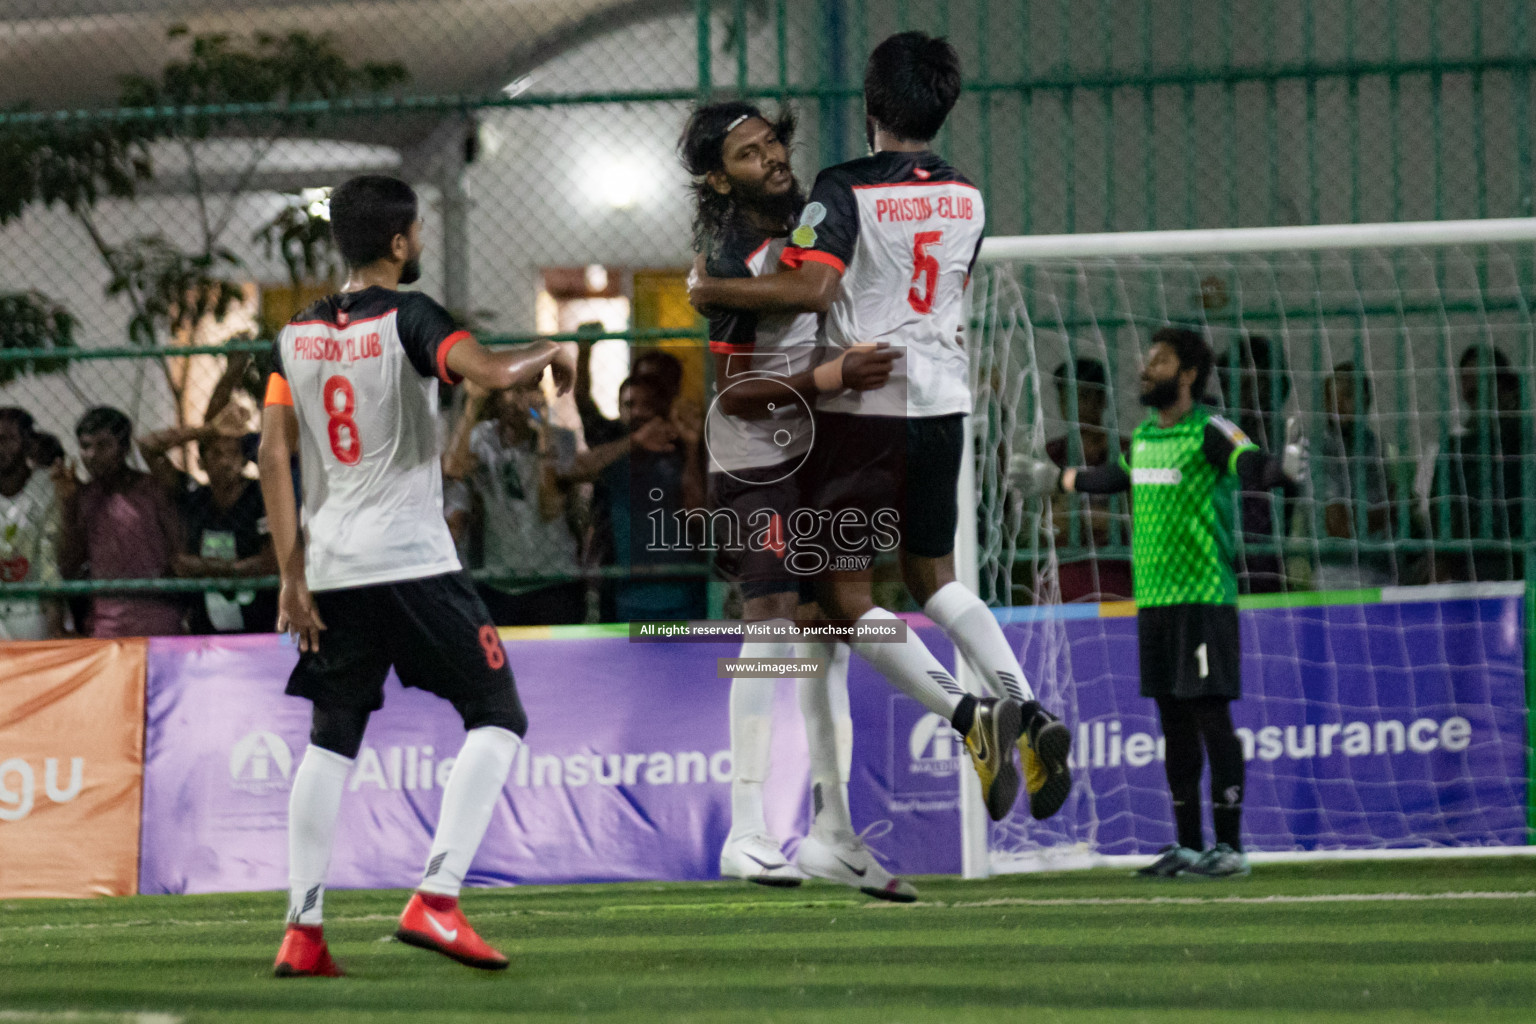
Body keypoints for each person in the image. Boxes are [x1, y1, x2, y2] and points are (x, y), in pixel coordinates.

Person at [688, 31, 1071, 824]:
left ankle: (973, 718)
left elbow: (816, 290)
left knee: (845, 597)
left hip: (867, 411)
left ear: (869, 105)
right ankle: (1029, 711)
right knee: (939, 579)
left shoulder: (844, 186)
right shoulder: (968, 192)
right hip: (945, 402)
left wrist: (711, 287)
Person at [260, 174, 575, 977]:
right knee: (497, 713)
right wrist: (556, 350)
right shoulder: (410, 315)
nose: (421, 244)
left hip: (329, 568)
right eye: (418, 233)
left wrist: (292, 575)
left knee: (331, 740)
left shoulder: (293, 331)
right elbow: (494, 374)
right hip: (409, 560)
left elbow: (272, 452)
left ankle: (303, 929)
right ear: (399, 243)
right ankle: (436, 900)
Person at [680, 99, 915, 899]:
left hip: (826, 449)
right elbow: (736, 397)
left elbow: (821, 295)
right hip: (759, 458)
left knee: (830, 645)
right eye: (748, 154)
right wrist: (828, 379)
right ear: (719, 177)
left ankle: (836, 835)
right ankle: (746, 831)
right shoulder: (729, 256)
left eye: (772, 140)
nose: (772, 157)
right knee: (772, 627)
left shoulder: (813, 220)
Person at [1021, 326, 1306, 877]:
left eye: (1158, 361)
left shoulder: (1211, 429)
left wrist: (1282, 471)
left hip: (1203, 598)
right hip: (1153, 601)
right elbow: (1113, 477)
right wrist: (1056, 478)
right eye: (1146, 361)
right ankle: (1189, 846)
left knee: (1210, 715)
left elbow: (1251, 465)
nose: (1145, 369)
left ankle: (1230, 847)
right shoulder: (1146, 437)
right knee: (1173, 721)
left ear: (1189, 373)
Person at [138, 358, 278, 634]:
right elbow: (148, 446)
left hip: (261, 632)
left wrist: (203, 567)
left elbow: (269, 564)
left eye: (232, 453)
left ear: (244, 459)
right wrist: (207, 431)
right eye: (216, 454)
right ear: (201, 462)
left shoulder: (261, 496)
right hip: (207, 635)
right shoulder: (194, 496)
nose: (226, 462)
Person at [442, 378, 585, 625]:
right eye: (514, 390)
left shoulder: (561, 439)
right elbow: (454, 468)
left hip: (554, 577)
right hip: (500, 581)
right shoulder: (481, 438)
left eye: (531, 390)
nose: (522, 399)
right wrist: (474, 403)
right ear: (497, 398)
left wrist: (543, 435)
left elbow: (549, 507)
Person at [565, 373, 708, 620]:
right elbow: (577, 469)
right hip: (630, 597)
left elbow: (696, 511)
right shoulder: (616, 454)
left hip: (684, 592)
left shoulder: (679, 450)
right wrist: (636, 440)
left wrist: (692, 446)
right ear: (619, 410)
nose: (639, 412)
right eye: (630, 405)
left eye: (647, 405)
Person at [57, 406, 185, 638]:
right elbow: (69, 566)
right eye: (85, 446)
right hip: (105, 623)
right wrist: (68, 506)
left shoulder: (152, 490)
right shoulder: (83, 497)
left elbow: (178, 550)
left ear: (123, 448)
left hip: (157, 617)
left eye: (103, 445)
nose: (93, 455)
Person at [1430, 344, 1527, 582]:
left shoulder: (1525, 444)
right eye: (1468, 382)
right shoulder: (1456, 448)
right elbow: (1441, 514)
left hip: (1518, 557)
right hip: (1468, 563)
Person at [1045, 358, 1133, 602]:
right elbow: (1049, 523)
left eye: (1082, 396)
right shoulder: (1052, 453)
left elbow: (1135, 519)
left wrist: (1077, 516)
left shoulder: (1127, 451)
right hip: (1065, 570)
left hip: (1117, 568)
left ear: (1102, 399)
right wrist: (1104, 517)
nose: (1073, 407)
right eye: (1066, 398)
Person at [1218, 335, 1297, 594]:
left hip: (1271, 570)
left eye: (1260, 383)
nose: (1252, 395)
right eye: (1241, 383)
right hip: (1219, 570)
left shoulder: (1291, 441)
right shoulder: (1214, 439)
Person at [1314, 362, 1396, 590]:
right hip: (1337, 577)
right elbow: (1339, 528)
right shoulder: (1319, 451)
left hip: (1382, 572)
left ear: (1366, 401)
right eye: (1333, 398)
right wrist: (1392, 509)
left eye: (1348, 396)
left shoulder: (1376, 447)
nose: (1339, 406)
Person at [0, 407, 64, 639]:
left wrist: (55, 625)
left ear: (27, 444)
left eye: (6, 440)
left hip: (35, 608)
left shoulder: (48, 487)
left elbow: (51, 561)